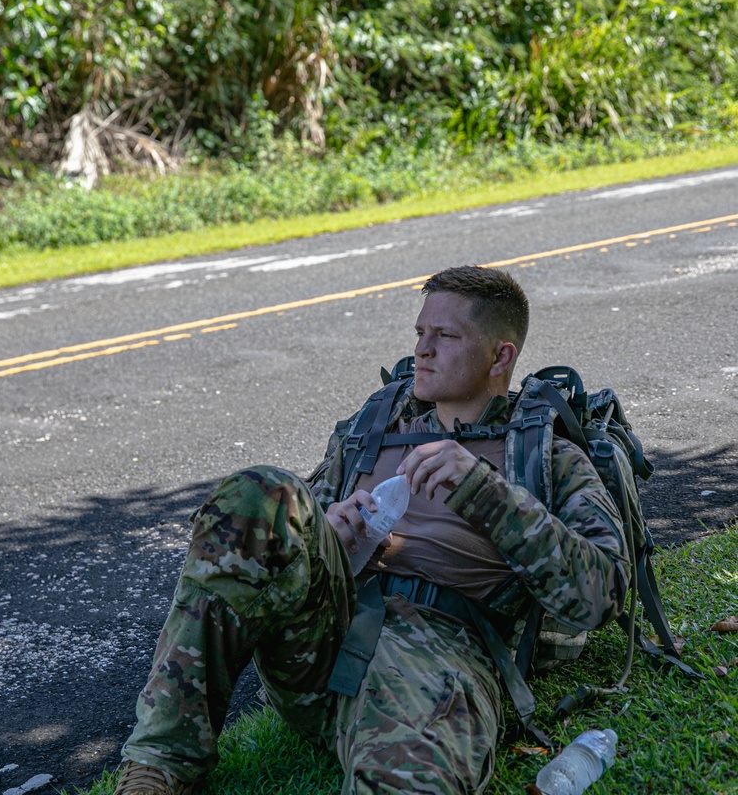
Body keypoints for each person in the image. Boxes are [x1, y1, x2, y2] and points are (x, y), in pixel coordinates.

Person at [110, 265, 630, 795]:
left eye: (446, 336)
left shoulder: (545, 456)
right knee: (262, 492)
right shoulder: (376, 429)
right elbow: (279, 525)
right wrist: (325, 531)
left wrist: (485, 491)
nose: (423, 350)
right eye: (420, 333)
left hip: (439, 658)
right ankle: (160, 766)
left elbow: (602, 596)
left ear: (501, 356)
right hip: (321, 643)